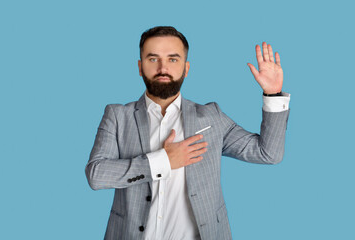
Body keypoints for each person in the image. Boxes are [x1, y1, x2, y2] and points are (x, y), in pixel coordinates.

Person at [85, 26, 290, 240]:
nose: (163, 67)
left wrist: (273, 94)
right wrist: (162, 161)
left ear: (186, 68)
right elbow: (96, 175)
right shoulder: (118, 116)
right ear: (140, 66)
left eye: (173, 59)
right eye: (153, 59)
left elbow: (268, 153)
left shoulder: (211, 118)